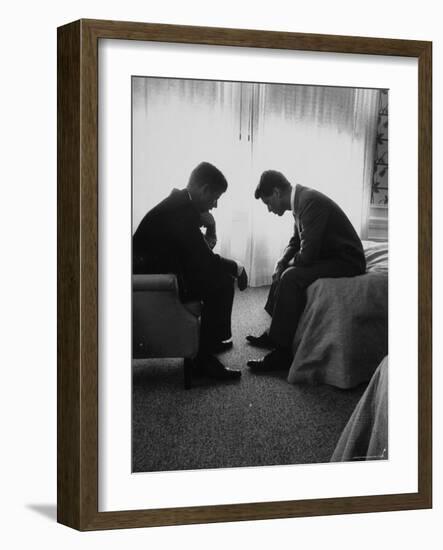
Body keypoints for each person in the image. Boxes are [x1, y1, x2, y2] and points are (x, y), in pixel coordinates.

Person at [133, 162, 248, 380]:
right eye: (215, 198)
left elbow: (198, 252)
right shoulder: (181, 212)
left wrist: (211, 228)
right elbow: (204, 259)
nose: (215, 205)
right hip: (155, 283)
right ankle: (203, 362)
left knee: (219, 278)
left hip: (161, 273)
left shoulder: (180, 204)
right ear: (204, 189)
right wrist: (237, 267)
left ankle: (212, 341)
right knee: (222, 283)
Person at [246, 170, 366, 372]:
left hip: (347, 260)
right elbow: (296, 241)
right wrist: (281, 261)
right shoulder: (300, 201)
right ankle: (274, 334)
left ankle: (283, 354)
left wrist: (287, 267)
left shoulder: (309, 201)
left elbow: (307, 255)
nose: (268, 209)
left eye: (268, 203)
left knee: (291, 277)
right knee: (283, 268)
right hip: (329, 254)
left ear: (276, 192)